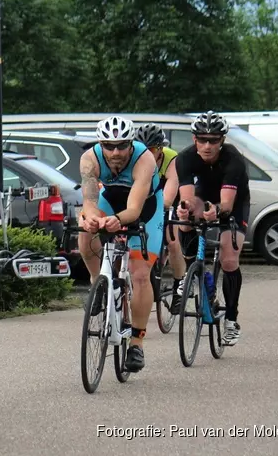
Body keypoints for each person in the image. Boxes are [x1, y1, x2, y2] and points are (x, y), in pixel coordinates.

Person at [77, 116, 164, 373]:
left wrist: (117, 220)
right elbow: (89, 201)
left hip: (145, 207)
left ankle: (136, 342)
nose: (115, 152)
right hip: (111, 199)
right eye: (109, 146)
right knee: (85, 235)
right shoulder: (89, 159)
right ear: (101, 144)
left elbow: (134, 209)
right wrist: (92, 219)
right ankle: (98, 283)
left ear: (131, 144)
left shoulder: (144, 159)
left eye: (122, 146)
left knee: (140, 274)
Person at [175, 111, 249, 346]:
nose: (207, 146)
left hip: (233, 203)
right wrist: (184, 209)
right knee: (185, 217)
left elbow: (226, 204)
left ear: (222, 140)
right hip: (203, 195)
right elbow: (187, 198)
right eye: (202, 139)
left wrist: (216, 211)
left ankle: (231, 320)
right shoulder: (185, 158)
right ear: (194, 139)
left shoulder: (233, 159)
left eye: (213, 140)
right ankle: (191, 270)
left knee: (229, 259)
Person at [134, 123, 187, 308]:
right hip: (144, 195)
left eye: (151, 149)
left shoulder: (171, 158)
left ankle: (179, 284)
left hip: (166, 196)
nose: (147, 153)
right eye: (143, 149)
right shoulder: (133, 157)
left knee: (172, 241)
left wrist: (161, 207)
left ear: (160, 148)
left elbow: (169, 194)